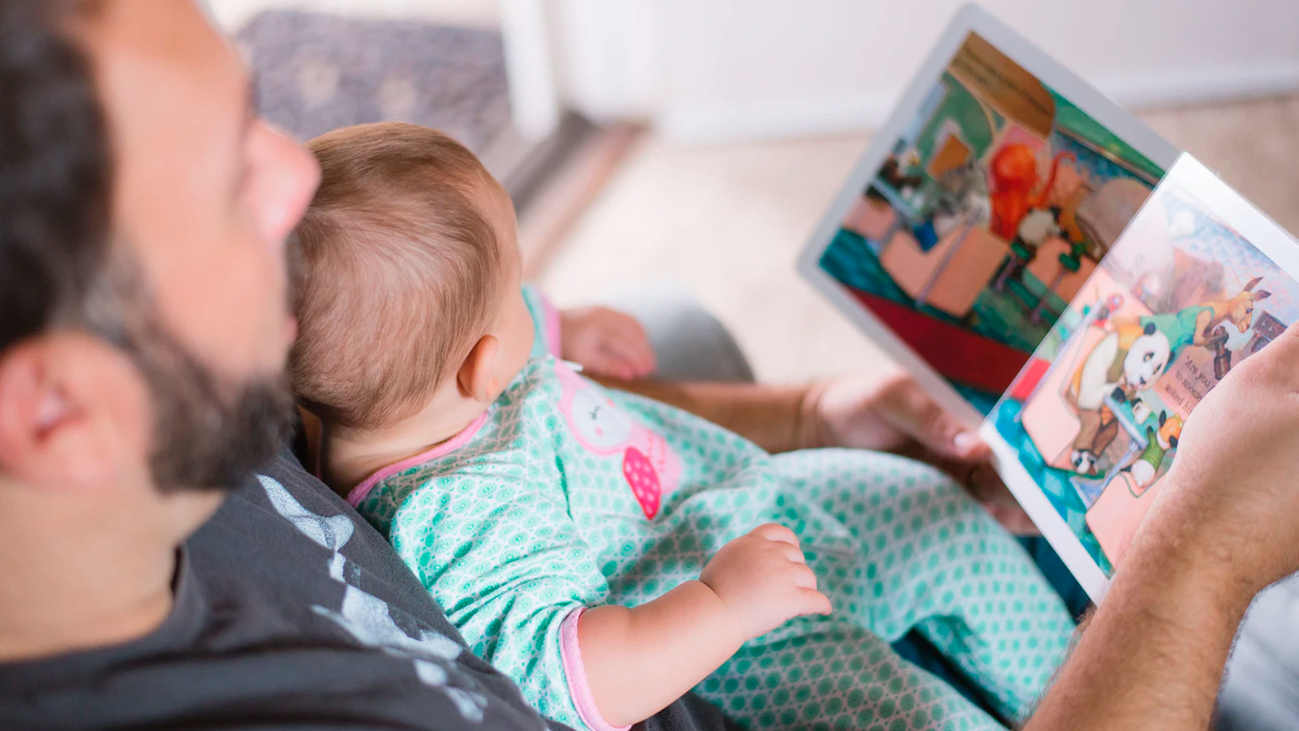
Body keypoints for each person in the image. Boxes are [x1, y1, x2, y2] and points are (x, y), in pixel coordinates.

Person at [0, 2, 1296, 730]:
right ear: (54, 411)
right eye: (226, 177)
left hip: (703, 520)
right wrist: (1200, 549)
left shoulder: (218, 385)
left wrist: (796, 406)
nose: (295, 172)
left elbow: (487, 401)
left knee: (674, 322)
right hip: (755, 656)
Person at [290, 122, 1073, 730]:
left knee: (934, 512)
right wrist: (722, 604)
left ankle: (1069, 679)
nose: (528, 291)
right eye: (517, 280)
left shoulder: (418, 384)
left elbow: (481, 322)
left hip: (734, 499)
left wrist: (562, 322)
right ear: (482, 367)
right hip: (743, 642)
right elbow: (568, 675)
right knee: (911, 715)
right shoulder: (458, 515)